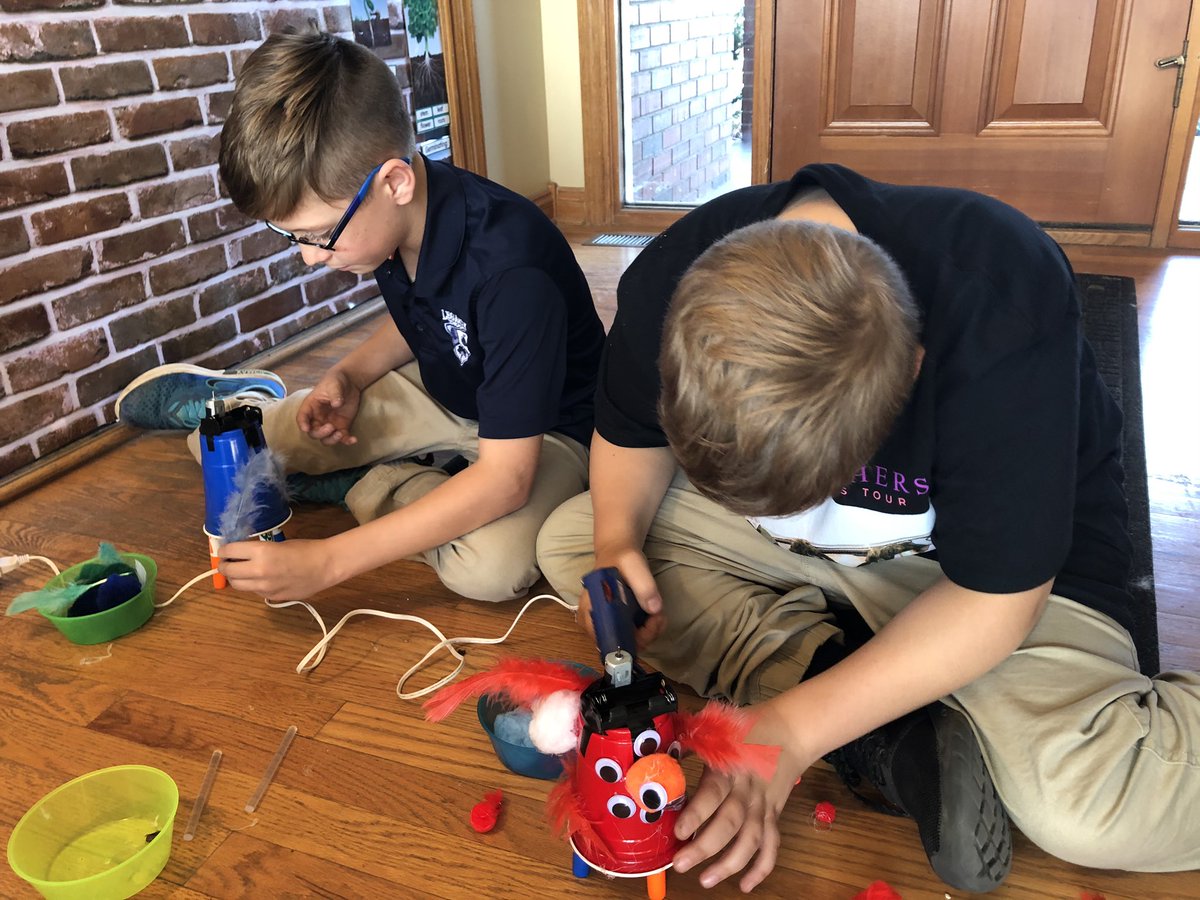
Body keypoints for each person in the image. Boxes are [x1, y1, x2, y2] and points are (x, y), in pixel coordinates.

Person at [536, 164, 1200, 892]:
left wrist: (792, 731)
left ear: (913, 371)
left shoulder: (1003, 304)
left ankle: (849, 686)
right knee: (572, 541)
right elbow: (630, 436)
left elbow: (996, 600)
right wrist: (619, 541)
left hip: (983, 579)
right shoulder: (670, 275)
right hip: (804, 561)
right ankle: (883, 715)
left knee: (1085, 806)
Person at [117, 28, 604, 604]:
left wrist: (328, 561)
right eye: (293, 236)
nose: (309, 256)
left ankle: (365, 481)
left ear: (393, 182)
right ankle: (261, 405)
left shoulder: (511, 269)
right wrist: (349, 375)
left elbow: (507, 477)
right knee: (219, 444)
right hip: (445, 388)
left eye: (321, 236)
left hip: (547, 432)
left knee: (489, 569)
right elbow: (426, 316)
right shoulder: (389, 222)